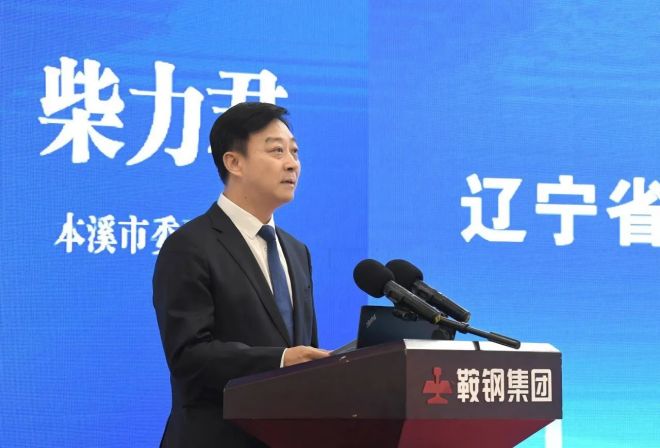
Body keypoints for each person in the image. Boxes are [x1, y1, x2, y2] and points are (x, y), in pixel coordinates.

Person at [153, 102, 329, 447]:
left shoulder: (297, 251)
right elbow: (188, 356)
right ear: (234, 162)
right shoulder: (189, 246)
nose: (292, 163)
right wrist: (280, 360)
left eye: (294, 151)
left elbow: (304, 350)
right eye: (276, 151)